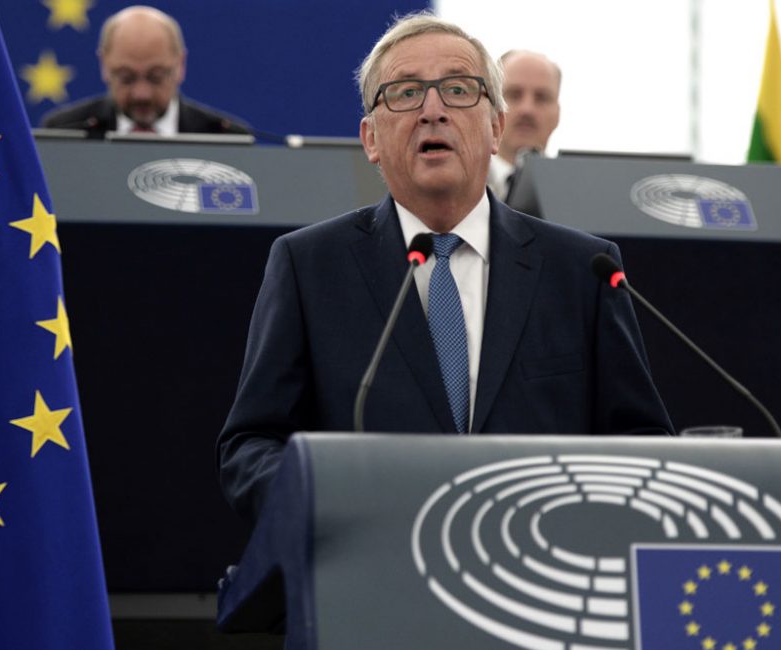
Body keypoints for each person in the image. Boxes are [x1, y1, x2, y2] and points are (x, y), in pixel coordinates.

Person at [218, 13, 672, 521]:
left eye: (458, 90)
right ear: (370, 139)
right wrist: (328, 505)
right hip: (370, 574)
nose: (433, 110)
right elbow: (252, 447)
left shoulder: (582, 270)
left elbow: (643, 443)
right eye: (406, 93)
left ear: (496, 127)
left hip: (544, 573)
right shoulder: (309, 267)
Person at [40, 6, 249, 138]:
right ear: (104, 65)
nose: (142, 93)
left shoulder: (225, 137)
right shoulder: (64, 132)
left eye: (156, 77)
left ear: (181, 65)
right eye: (126, 77)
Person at [487, 50, 562, 203]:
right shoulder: (457, 187)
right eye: (514, 95)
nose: (527, 109)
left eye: (542, 97)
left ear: (557, 114)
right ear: (490, 106)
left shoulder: (575, 197)